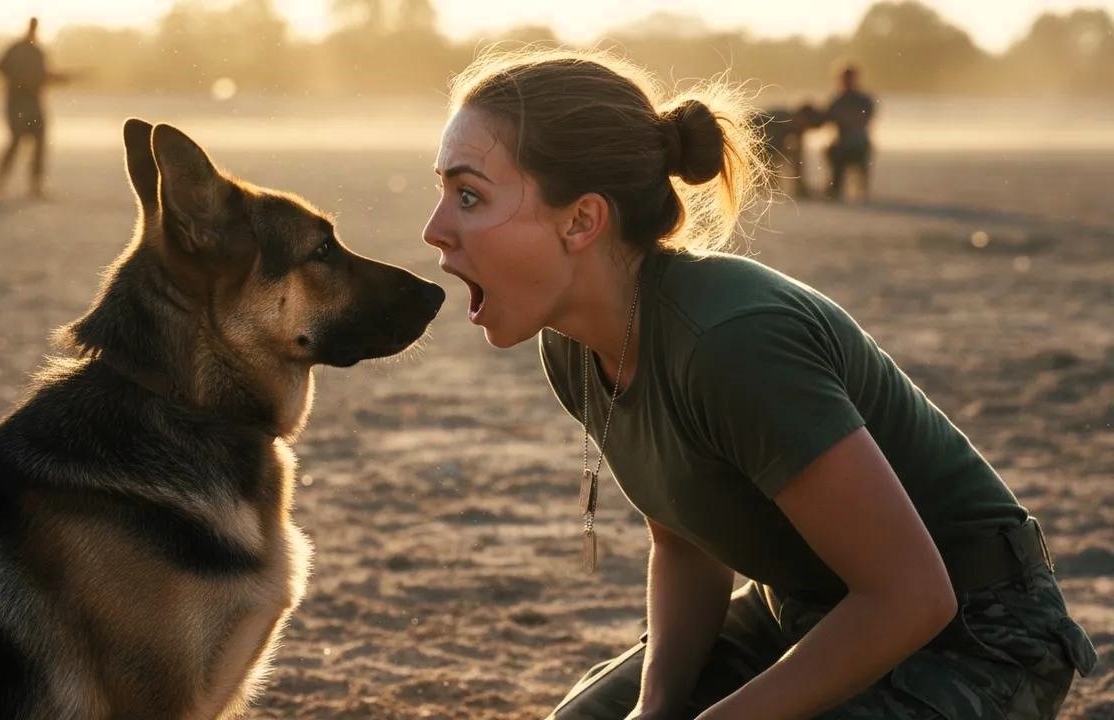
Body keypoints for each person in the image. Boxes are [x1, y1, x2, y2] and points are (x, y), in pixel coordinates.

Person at [421, 49, 1096, 719]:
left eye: (469, 195)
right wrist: (655, 708)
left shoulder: (730, 343)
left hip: (977, 633)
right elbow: (685, 542)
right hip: (799, 607)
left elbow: (913, 597)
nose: (435, 230)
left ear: (581, 220)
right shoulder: (573, 343)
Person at [0, 18, 72, 198]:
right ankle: (0, 182)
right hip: (17, 103)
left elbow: (43, 76)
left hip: (34, 103)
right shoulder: (17, 49)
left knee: (39, 143)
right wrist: (19, 81)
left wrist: (61, 78)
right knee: (16, 141)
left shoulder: (38, 52)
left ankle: (35, 185)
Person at [824, 64, 875, 201]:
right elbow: (826, 117)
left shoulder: (863, 99)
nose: (846, 81)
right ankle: (835, 187)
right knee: (834, 151)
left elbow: (864, 119)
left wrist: (844, 118)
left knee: (845, 151)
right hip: (841, 144)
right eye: (844, 78)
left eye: (849, 78)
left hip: (859, 144)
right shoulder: (837, 99)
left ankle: (859, 189)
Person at [757, 102, 822, 198]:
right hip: (756, 137)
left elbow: (797, 158)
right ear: (802, 118)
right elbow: (769, 150)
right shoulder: (782, 121)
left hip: (764, 141)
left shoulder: (794, 126)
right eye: (806, 126)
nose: (805, 130)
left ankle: (796, 189)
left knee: (792, 157)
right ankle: (765, 189)